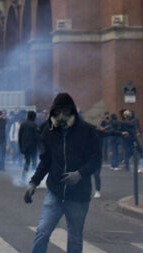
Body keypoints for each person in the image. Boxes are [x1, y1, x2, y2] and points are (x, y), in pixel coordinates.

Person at [25, 93, 101, 253]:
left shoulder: (86, 131)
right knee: (42, 231)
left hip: (79, 195)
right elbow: (46, 161)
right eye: (57, 113)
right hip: (55, 192)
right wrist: (33, 183)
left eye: (65, 113)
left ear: (72, 113)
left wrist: (80, 174)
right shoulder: (48, 132)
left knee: (75, 238)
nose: (61, 117)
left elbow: (96, 159)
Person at [19, 110, 40, 180]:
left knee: (27, 162)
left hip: (25, 147)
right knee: (34, 163)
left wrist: (21, 147)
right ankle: (33, 178)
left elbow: (20, 137)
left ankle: (24, 178)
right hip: (33, 148)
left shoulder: (23, 124)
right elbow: (38, 138)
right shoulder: (35, 125)